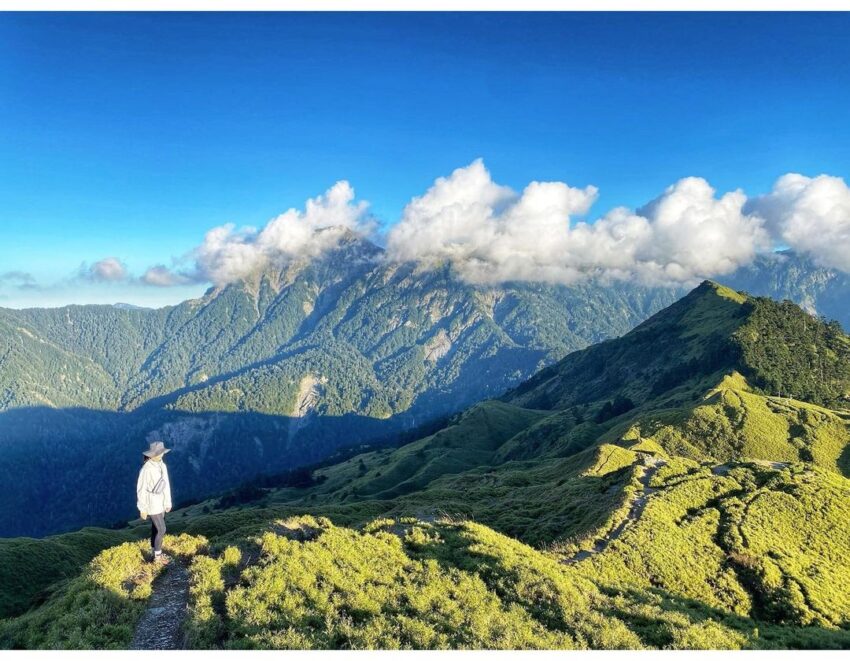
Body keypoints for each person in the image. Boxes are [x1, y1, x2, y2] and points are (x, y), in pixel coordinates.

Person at [136, 440, 173, 563]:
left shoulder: (162, 465)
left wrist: (167, 503)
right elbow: (141, 489)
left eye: (162, 452)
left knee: (156, 529)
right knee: (161, 529)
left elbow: (166, 485)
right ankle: (158, 556)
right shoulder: (146, 469)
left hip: (161, 502)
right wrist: (143, 508)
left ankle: (154, 550)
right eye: (159, 453)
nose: (161, 455)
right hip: (152, 503)